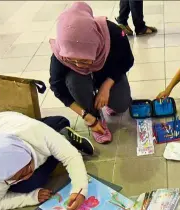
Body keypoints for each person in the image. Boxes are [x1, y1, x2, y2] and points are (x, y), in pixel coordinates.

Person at [0, 112, 93, 210]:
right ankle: (61, 140)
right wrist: (30, 198)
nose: (27, 175)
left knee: (61, 122)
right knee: (32, 183)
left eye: (26, 169)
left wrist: (79, 190)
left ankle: (61, 139)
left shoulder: (36, 132)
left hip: (6, 122)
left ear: (28, 153)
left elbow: (71, 156)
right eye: (16, 177)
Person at [49, 2, 134, 144]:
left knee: (121, 105)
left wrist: (107, 86)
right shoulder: (60, 51)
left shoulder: (114, 32)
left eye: (84, 60)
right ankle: (95, 114)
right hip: (80, 82)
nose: (78, 65)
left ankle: (105, 101)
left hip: (106, 75)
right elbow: (57, 88)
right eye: (72, 60)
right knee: (74, 81)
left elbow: (127, 60)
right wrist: (86, 116)